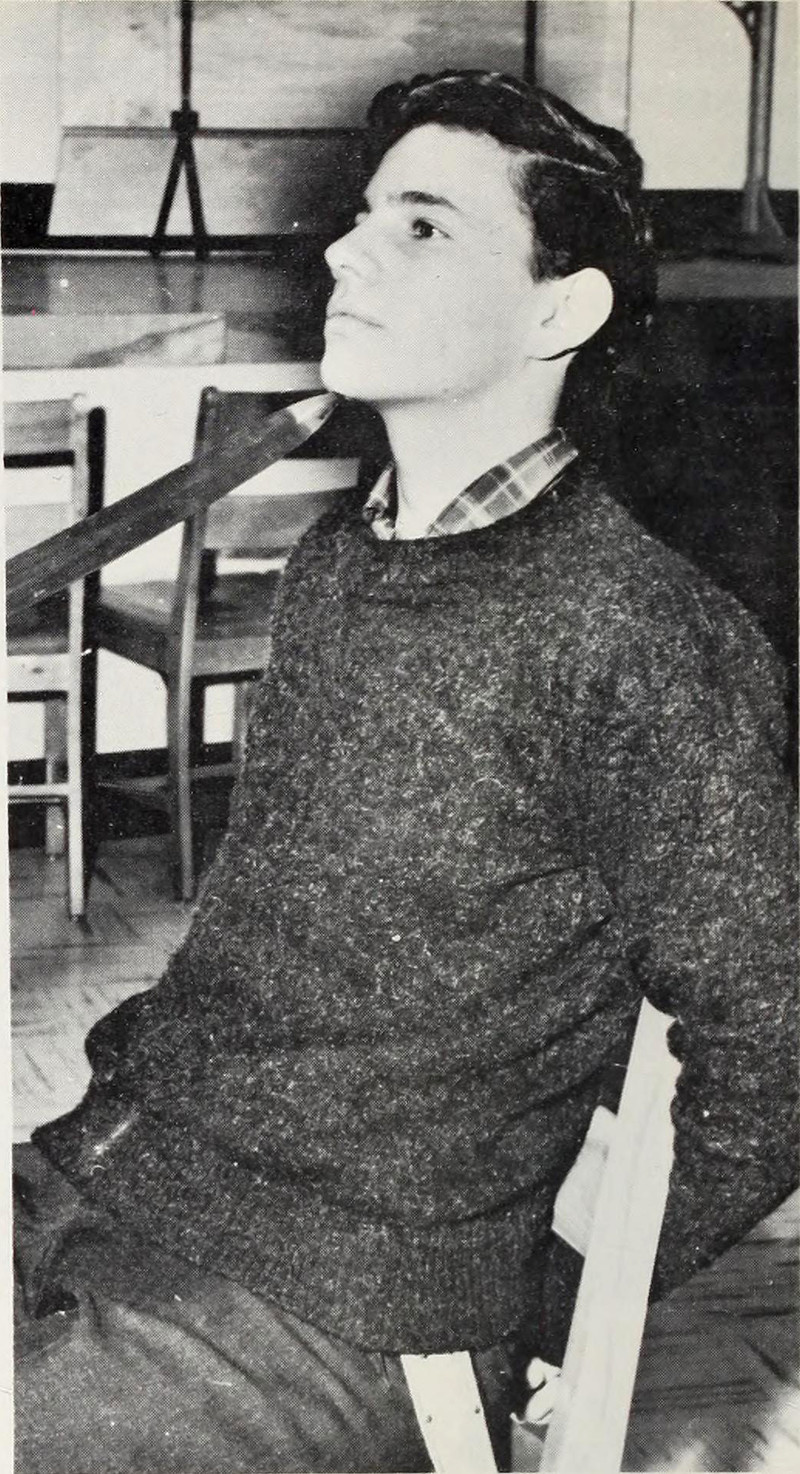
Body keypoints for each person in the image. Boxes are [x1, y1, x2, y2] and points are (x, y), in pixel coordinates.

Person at [14, 71, 797, 1474]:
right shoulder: (342, 563)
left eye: (423, 226)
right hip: (124, 1168)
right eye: (364, 216)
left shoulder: (643, 638)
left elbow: (779, 1046)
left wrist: (557, 1305)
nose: (344, 251)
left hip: (345, 1306)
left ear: (560, 312)